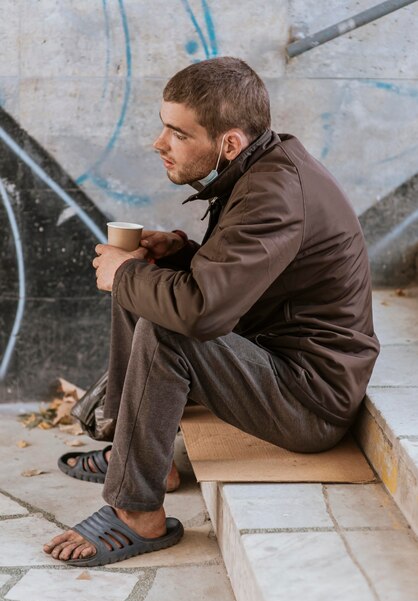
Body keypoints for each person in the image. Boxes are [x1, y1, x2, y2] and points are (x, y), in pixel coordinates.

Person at [44, 56, 379, 567]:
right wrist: (176, 254)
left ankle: (137, 512)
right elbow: (245, 273)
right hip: (273, 358)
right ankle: (133, 451)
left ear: (229, 143)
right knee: (149, 283)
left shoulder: (276, 192)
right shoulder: (263, 167)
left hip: (309, 398)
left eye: (178, 134)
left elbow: (203, 314)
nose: (160, 144)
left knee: (165, 322)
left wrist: (125, 274)